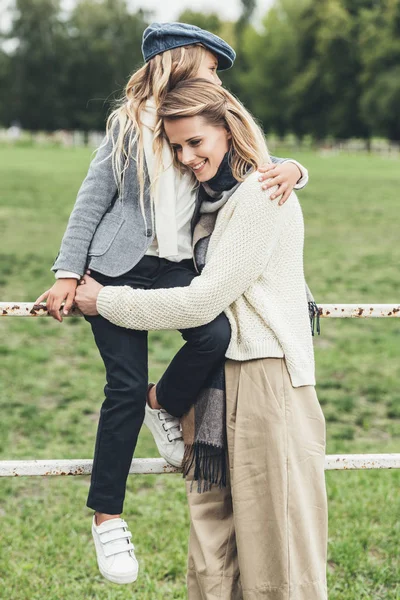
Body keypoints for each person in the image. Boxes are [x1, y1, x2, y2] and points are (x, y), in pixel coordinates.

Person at [36, 23, 310, 586]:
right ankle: (108, 517)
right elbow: (90, 203)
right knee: (122, 386)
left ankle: (164, 402)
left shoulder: (198, 126)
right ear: (181, 62)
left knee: (212, 334)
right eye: (211, 68)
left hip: (174, 266)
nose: (217, 81)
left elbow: (245, 156)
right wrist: (68, 274)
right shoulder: (130, 127)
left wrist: (298, 170)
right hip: (113, 268)